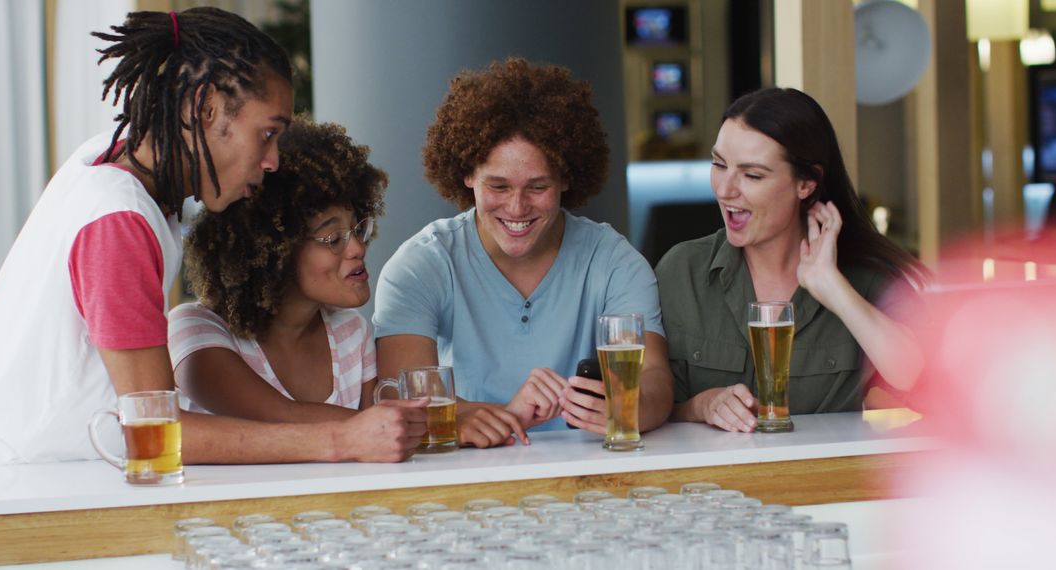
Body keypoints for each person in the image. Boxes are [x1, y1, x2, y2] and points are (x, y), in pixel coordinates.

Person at [0, 8, 423, 465]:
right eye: (267, 133)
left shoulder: (113, 164)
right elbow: (152, 431)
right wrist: (343, 440)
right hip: (40, 493)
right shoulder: (118, 218)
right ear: (204, 107)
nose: (273, 159)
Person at [372, 58, 673, 447]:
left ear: (566, 178)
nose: (516, 209)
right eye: (498, 187)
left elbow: (655, 378)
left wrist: (627, 408)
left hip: (591, 474)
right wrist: (498, 418)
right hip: (464, 478)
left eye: (537, 187)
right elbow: (402, 398)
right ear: (467, 175)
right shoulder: (420, 265)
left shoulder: (614, 260)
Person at [655, 87, 928, 432]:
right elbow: (647, 406)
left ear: (806, 184)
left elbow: (916, 380)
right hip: (709, 485)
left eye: (752, 175)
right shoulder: (682, 271)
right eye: (719, 164)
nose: (725, 189)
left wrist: (832, 287)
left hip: (821, 483)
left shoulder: (866, 278)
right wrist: (701, 405)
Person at [168, 119, 412, 433]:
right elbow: (279, 416)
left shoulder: (351, 332)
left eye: (357, 228)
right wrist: (404, 423)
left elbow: (376, 447)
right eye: (333, 237)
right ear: (275, 251)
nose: (358, 248)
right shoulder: (196, 330)